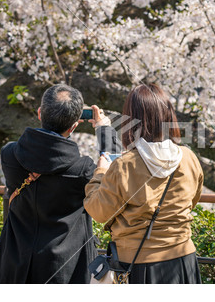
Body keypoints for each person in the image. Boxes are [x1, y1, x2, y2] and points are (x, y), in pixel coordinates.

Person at [0, 84, 118, 284]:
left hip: (15, 263)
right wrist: (105, 132)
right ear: (74, 126)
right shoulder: (82, 171)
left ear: (40, 113)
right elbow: (113, 173)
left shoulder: (9, 155)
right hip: (64, 269)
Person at [84, 83, 204, 284]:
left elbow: (98, 211)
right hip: (184, 258)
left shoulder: (125, 165)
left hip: (139, 264)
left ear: (131, 120)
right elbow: (192, 200)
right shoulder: (188, 157)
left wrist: (101, 172)